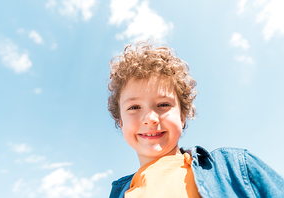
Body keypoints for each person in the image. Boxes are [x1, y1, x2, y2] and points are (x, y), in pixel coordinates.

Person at [107, 41, 284, 198]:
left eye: (163, 105)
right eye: (134, 107)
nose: (150, 118)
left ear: (182, 116)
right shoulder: (120, 193)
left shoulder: (234, 168)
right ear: (121, 122)